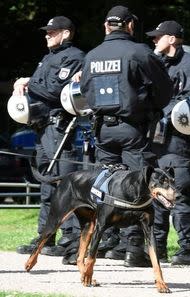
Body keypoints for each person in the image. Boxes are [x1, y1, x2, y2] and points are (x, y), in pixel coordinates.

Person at [80, 5, 172, 267]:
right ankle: (133, 249)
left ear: (106, 26)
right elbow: (164, 90)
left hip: (103, 130)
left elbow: (85, 91)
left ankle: (108, 243)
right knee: (135, 187)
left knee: (106, 187)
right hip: (134, 128)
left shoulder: (92, 56)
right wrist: (151, 108)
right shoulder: (140, 52)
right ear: (130, 25)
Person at [14, 16, 85, 265]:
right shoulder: (48, 58)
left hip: (60, 127)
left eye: (52, 32)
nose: (47, 35)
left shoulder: (74, 57)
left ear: (66, 33)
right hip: (42, 127)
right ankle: (45, 236)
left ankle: (71, 239)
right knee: (46, 183)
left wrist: (28, 82)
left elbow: (55, 91)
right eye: (47, 32)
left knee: (65, 183)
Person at [145, 20, 190, 265]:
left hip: (177, 141)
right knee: (156, 193)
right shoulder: (154, 64)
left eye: (157, 37)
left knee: (180, 193)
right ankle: (158, 248)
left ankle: (187, 248)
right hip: (154, 141)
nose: (153, 42)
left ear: (171, 38)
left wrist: (158, 111)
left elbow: (188, 102)